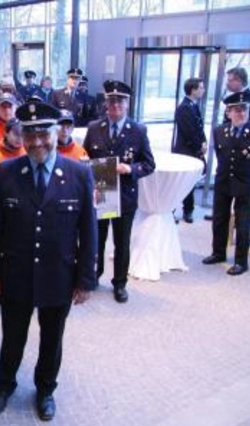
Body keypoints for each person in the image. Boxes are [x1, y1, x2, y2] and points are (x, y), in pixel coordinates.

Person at [0, 100, 98, 421]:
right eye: (29, 134)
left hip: (58, 275)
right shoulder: (7, 171)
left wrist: (85, 279)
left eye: (43, 134)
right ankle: (5, 385)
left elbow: (88, 232)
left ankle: (46, 389)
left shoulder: (79, 173)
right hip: (15, 273)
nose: (36, 142)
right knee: (12, 336)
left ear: (56, 131)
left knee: (52, 339)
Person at [83, 80, 155, 303]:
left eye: (120, 101)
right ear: (106, 103)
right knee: (98, 239)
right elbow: (85, 156)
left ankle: (120, 283)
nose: (115, 105)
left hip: (124, 195)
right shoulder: (95, 128)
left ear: (127, 103)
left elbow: (149, 165)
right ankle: (94, 275)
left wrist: (130, 168)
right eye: (111, 101)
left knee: (121, 242)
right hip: (101, 192)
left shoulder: (139, 130)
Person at [202, 92, 250, 276]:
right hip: (223, 179)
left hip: (245, 183)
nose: (241, 113)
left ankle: (241, 261)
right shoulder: (219, 131)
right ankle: (218, 252)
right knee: (219, 219)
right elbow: (220, 155)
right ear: (228, 112)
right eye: (237, 110)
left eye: (244, 109)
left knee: (242, 223)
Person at [172, 78, 208, 223]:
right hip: (185, 151)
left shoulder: (193, 105)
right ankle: (173, 210)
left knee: (190, 183)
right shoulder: (184, 107)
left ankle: (188, 209)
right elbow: (189, 132)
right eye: (201, 88)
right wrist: (199, 147)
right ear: (192, 90)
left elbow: (199, 127)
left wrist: (204, 141)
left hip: (193, 150)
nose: (203, 90)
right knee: (181, 183)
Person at [0, 118, 26, 188]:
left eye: (22, 134)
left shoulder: (27, 153)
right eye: (16, 134)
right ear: (6, 133)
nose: (19, 138)